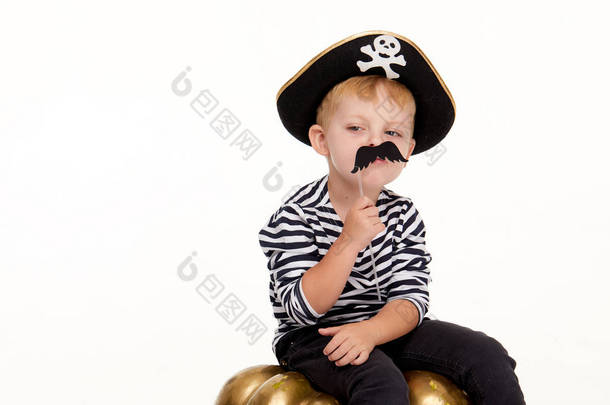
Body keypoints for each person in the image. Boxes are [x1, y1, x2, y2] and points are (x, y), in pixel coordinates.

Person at [257, 30, 526, 405]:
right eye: (355, 128)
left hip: (385, 326)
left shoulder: (402, 215)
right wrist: (349, 241)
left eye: (393, 132)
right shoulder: (296, 215)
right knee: (380, 383)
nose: (376, 142)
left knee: (486, 354)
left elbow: (411, 300)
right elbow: (302, 308)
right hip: (314, 337)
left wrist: (371, 331)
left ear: (408, 150)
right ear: (321, 140)